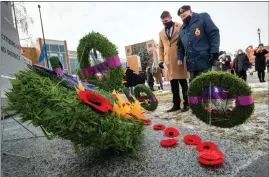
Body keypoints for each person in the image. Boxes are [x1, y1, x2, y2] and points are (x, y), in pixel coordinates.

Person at [176, 5, 220, 82]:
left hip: (205, 61)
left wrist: (214, 50)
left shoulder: (203, 17)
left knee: (207, 87)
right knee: (195, 90)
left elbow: (214, 34)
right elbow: (180, 46)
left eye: (184, 15)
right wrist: (179, 58)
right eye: (181, 17)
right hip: (191, 65)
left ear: (191, 12)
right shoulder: (182, 29)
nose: (183, 18)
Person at [158, 10, 190, 112]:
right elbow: (161, 47)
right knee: (173, 86)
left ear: (171, 18)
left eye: (166, 20)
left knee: (183, 83)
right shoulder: (161, 32)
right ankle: (176, 105)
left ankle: (187, 104)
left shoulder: (180, 26)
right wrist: (161, 60)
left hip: (179, 59)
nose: (165, 23)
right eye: (163, 22)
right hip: (168, 63)